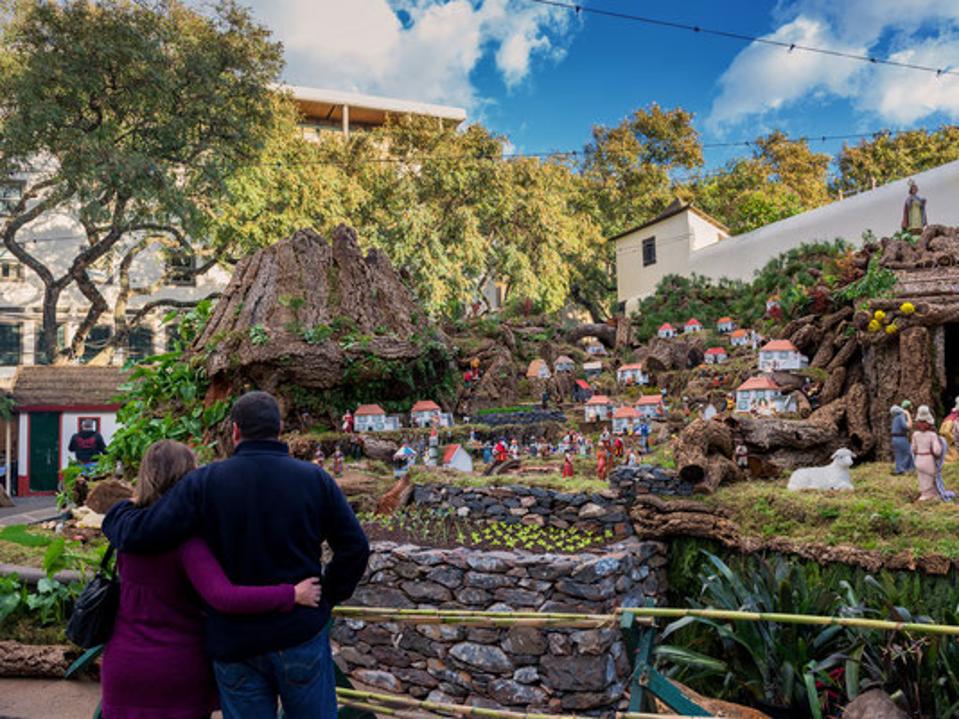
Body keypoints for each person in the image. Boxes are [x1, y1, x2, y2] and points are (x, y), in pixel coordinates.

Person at [103, 392, 370, 719]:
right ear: (280, 428)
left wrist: (116, 514)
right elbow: (355, 547)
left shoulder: (205, 482)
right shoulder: (315, 479)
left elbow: (146, 532)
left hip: (235, 640)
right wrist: (328, 595)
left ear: (234, 431)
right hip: (298, 631)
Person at [101, 440, 323, 719]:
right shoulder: (187, 544)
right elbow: (224, 596)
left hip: (122, 668)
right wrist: (291, 594)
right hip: (174, 671)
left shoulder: (127, 530)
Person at [912, 405, 943, 501]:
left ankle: (924, 493)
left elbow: (913, 448)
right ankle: (928, 494)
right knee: (930, 478)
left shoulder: (915, 434)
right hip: (928, 459)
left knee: (921, 477)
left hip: (918, 459)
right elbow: (937, 451)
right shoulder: (932, 435)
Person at [890, 403, 915, 475]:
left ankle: (899, 468)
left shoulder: (895, 417)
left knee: (899, 454)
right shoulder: (901, 416)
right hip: (901, 437)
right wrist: (908, 416)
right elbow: (907, 426)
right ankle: (907, 469)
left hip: (894, 438)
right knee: (908, 453)